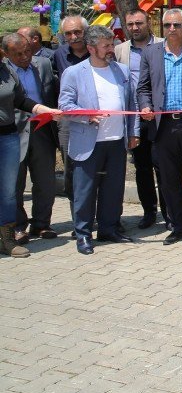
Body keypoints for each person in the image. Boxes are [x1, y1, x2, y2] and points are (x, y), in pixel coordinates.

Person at [58, 25, 139, 255]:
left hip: (116, 140)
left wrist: (134, 133)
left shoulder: (121, 71)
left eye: (111, 44)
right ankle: (83, 234)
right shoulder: (74, 73)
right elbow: (65, 105)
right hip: (88, 141)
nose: (111, 49)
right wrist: (88, 115)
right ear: (91, 48)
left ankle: (109, 229)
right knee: (84, 191)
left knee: (113, 189)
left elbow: (131, 104)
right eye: (106, 46)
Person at [136, 9, 182, 245]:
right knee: (170, 179)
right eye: (167, 25)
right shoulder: (151, 53)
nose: (171, 29)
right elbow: (143, 88)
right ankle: (178, 226)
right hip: (163, 126)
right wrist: (146, 106)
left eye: (176, 25)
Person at [0, 38, 58, 258]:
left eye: (27, 52)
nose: (24, 57)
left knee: (8, 191)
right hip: (13, 134)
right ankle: (13, 230)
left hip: (8, 137)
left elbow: (21, 100)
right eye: (18, 54)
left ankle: (7, 239)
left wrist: (45, 110)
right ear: (6, 52)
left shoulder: (6, 71)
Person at [114, 9, 163, 229]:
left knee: (165, 167)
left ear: (148, 22)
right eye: (130, 24)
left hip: (162, 117)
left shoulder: (164, 44)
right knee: (142, 168)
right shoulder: (119, 51)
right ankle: (149, 211)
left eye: (139, 23)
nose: (135, 28)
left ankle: (170, 212)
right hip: (135, 118)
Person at [52, 15, 89, 217]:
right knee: (71, 169)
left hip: (98, 119)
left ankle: (106, 217)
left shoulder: (97, 51)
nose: (73, 37)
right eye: (68, 33)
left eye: (77, 32)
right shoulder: (59, 55)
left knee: (100, 170)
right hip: (70, 122)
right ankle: (79, 219)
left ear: (85, 31)